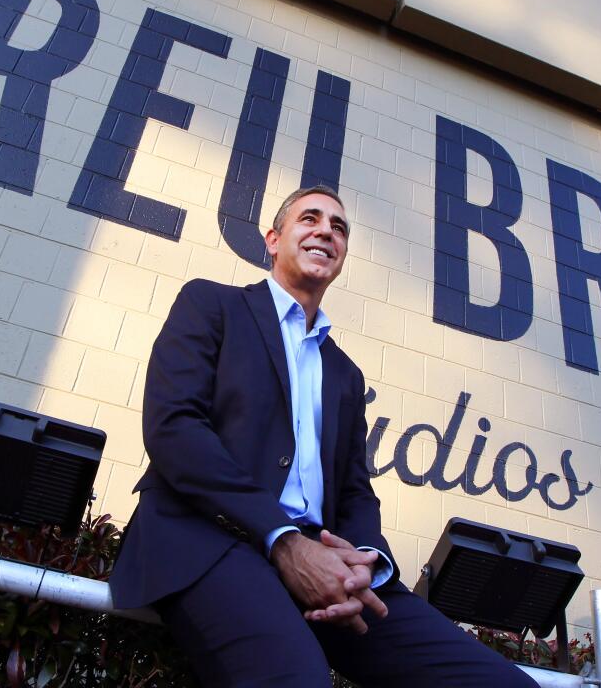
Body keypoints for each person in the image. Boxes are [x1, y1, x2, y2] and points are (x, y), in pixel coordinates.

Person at [109, 186, 537, 687]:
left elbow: (355, 490)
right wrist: (282, 538)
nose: (325, 231)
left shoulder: (345, 375)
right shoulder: (213, 305)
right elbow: (174, 429)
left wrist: (367, 561)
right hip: (211, 541)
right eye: (309, 219)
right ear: (273, 240)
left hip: (324, 562)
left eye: (338, 227)